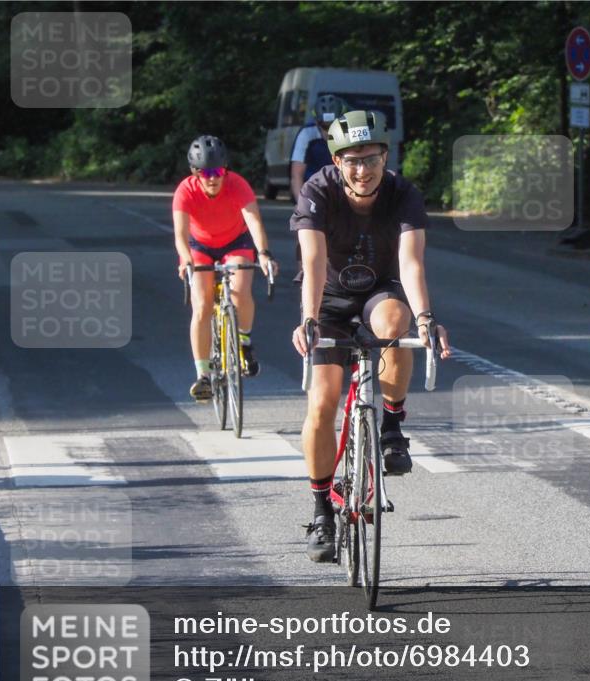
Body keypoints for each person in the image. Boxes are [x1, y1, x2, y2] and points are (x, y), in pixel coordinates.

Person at [289, 110, 451, 562]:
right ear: (337, 161)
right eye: (351, 160)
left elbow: (412, 262)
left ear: (385, 156)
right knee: (322, 403)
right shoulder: (317, 191)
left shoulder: (403, 194)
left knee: (396, 324)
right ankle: (322, 509)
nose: (362, 170)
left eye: (371, 159)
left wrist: (425, 317)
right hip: (328, 296)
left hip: (379, 290)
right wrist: (308, 318)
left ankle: (392, 426)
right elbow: (314, 261)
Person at [173, 135, 278, 402]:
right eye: (206, 173)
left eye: (218, 171)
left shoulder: (238, 185)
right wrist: (186, 260)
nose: (213, 178)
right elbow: (180, 234)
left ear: (225, 170)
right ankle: (203, 375)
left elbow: (254, 222)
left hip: (235, 241)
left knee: (240, 290)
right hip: (200, 246)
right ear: (196, 174)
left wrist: (264, 254)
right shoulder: (185, 191)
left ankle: (243, 341)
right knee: (202, 305)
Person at [291, 95, 349, 284]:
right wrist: (302, 206)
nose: (327, 132)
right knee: (307, 238)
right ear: (316, 122)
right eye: (323, 127)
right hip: (313, 193)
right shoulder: (307, 134)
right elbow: (297, 174)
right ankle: (305, 283)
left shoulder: (348, 134)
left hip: (342, 193)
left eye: (332, 127)